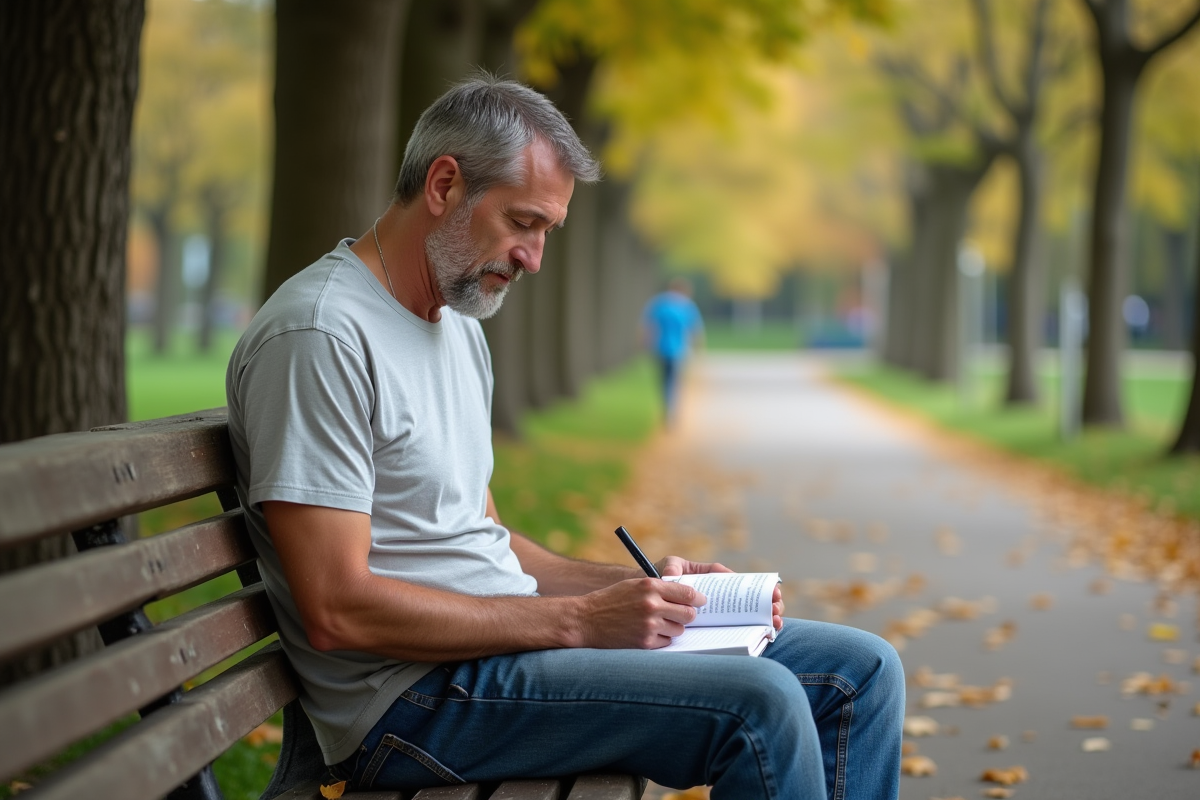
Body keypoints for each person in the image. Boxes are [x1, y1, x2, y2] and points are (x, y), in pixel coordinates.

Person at [226, 74, 903, 800]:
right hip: (410, 701)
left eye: (547, 231)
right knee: (760, 705)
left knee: (862, 672)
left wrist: (644, 590)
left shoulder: (455, 326)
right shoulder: (321, 336)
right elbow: (336, 608)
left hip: (496, 659)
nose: (534, 257)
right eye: (523, 222)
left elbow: (484, 539)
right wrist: (579, 621)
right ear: (444, 185)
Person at [642, 278, 705, 426]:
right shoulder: (687, 305)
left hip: (660, 348)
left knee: (664, 380)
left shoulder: (659, 303)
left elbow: (648, 327)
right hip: (679, 350)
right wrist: (699, 350)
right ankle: (673, 410)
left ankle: (667, 407)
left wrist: (645, 346)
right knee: (675, 381)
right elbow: (695, 330)